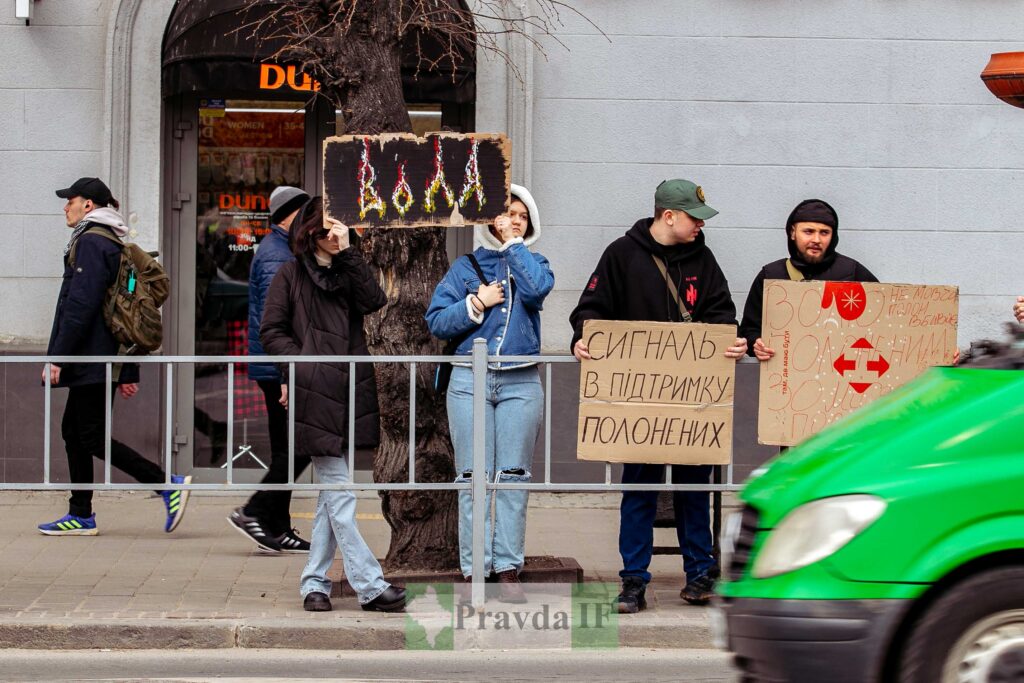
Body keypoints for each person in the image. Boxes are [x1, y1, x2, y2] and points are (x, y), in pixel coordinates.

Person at [569, 179, 747, 612]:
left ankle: (699, 574)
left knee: (694, 490)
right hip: (639, 402)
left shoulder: (702, 260)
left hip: (693, 400)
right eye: (694, 218)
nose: (700, 227)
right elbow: (591, 309)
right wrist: (582, 338)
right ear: (669, 215)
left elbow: (722, 313)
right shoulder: (621, 255)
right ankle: (633, 581)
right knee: (640, 490)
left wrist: (731, 341)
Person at [259, 197, 405, 613]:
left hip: (349, 390)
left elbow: (375, 300)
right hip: (314, 392)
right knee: (340, 493)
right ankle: (370, 585)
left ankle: (314, 584)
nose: (329, 234)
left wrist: (349, 252)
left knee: (331, 495)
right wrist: (304, 366)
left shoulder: (346, 271)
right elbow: (271, 330)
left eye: (336, 227)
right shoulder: (289, 275)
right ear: (307, 233)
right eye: (322, 229)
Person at [39, 177, 190, 536]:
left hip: (89, 357)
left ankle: (166, 484)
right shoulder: (107, 240)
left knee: (88, 435)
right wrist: (129, 371)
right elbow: (120, 308)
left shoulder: (92, 241)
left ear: (88, 204)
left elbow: (82, 304)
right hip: (98, 357)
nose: (65, 206)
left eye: (70, 200)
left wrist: (58, 357)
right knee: (74, 432)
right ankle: (81, 514)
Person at [425, 185, 554, 603]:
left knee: (513, 478)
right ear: (488, 220)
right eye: (506, 214)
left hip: (521, 380)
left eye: (521, 215)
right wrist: (475, 303)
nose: (513, 220)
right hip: (468, 380)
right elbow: (438, 322)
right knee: (473, 478)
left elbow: (535, 291)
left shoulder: (536, 263)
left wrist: (514, 246)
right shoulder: (465, 268)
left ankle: (508, 566)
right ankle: (474, 568)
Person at [228, 185, 312, 553]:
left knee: (287, 448)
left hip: (278, 367)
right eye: (307, 214)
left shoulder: (282, 250)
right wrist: (284, 376)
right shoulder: (278, 255)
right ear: (291, 215)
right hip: (279, 370)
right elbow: (276, 322)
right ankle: (254, 511)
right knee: (299, 448)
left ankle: (277, 527)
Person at [739, 199, 878, 361]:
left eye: (824, 232)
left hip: (839, 375)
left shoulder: (852, 273)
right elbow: (750, 328)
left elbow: (881, 323)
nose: (816, 240)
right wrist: (756, 344)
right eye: (808, 231)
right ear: (792, 233)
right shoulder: (771, 275)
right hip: (783, 375)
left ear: (833, 236)